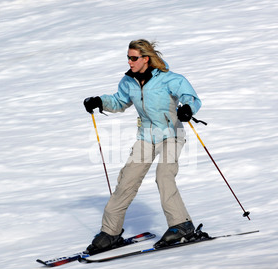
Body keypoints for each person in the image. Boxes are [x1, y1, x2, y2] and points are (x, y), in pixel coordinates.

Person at [83, 39, 202, 253]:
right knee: (127, 180)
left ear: (146, 58)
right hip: (146, 136)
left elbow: (190, 97)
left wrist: (187, 109)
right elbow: (120, 101)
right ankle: (110, 232)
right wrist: (99, 101)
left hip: (171, 134)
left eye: (134, 58)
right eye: (128, 57)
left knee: (164, 175)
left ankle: (181, 225)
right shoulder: (128, 81)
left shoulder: (169, 79)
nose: (130, 62)